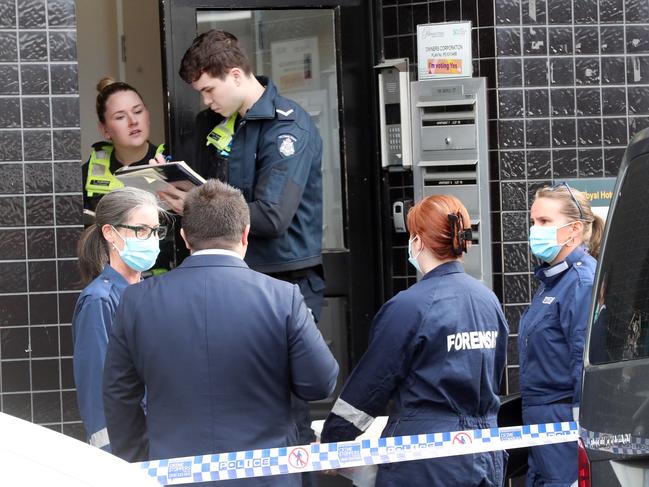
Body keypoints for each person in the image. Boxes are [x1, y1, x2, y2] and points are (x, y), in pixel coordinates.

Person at [157, 30, 326, 477]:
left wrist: (194, 206)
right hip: (225, 276)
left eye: (210, 90)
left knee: (285, 411)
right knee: (226, 401)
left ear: (235, 74)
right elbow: (203, 188)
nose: (206, 100)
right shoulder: (211, 123)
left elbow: (272, 216)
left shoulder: (289, 126)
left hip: (282, 280)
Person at [103, 179, 339, 487]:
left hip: (172, 476)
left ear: (185, 238)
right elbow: (320, 383)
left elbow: (119, 395)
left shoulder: (137, 301)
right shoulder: (283, 297)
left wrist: (139, 462)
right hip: (264, 476)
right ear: (245, 235)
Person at [320, 195, 509, 486]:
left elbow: (371, 385)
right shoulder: (487, 300)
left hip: (424, 459)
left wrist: (333, 440)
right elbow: (494, 372)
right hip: (484, 452)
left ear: (418, 242)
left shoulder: (409, 306)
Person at [519, 183, 604, 487]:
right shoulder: (553, 281)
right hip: (543, 429)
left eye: (544, 222)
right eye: (532, 221)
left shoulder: (580, 283)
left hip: (564, 428)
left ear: (574, 230)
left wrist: (582, 434)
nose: (534, 230)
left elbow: (584, 365)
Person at [72, 187, 164, 452]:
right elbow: (96, 385)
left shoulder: (151, 291)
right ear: (110, 233)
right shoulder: (99, 300)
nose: (152, 239)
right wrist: (110, 454)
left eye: (156, 230)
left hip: (159, 437)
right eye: (142, 230)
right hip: (126, 446)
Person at [83, 77, 167, 212]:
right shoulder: (91, 171)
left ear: (147, 116)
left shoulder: (169, 162)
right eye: (120, 117)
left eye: (138, 111)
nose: (133, 121)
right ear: (104, 130)